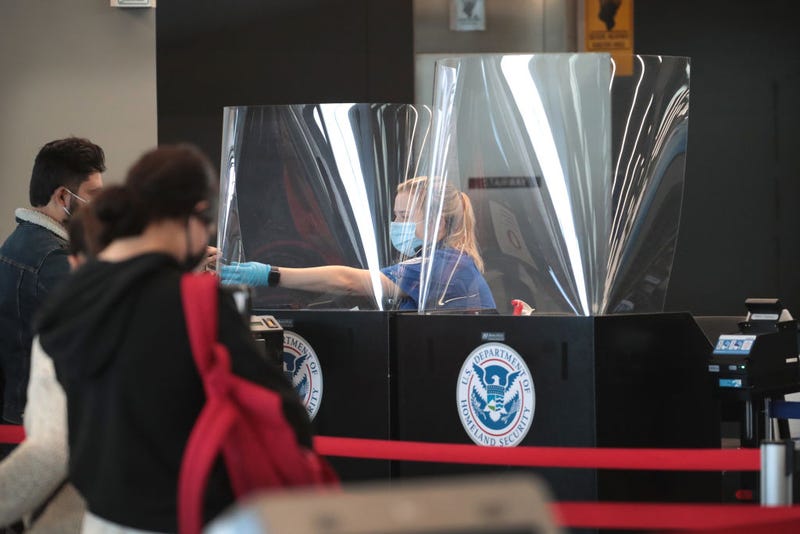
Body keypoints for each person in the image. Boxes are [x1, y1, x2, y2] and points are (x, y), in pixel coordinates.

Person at [33, 144, 311, 532]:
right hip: (181, 514)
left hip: (99, 516)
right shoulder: (195, 301)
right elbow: (282, 413)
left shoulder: (68, 297)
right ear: (196, 215)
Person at [220, 176, 496, 312]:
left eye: (405, 216)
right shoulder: (449, 261)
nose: (397, 223)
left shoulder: (443, 266)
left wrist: (268, 274)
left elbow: (348, 281)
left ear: (439, 223)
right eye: (395, 216)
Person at [0, 137, 105, 426]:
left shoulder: (25, 242)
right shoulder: (50, 260)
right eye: (94, 195)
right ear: (62, 197)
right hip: (41, 424)